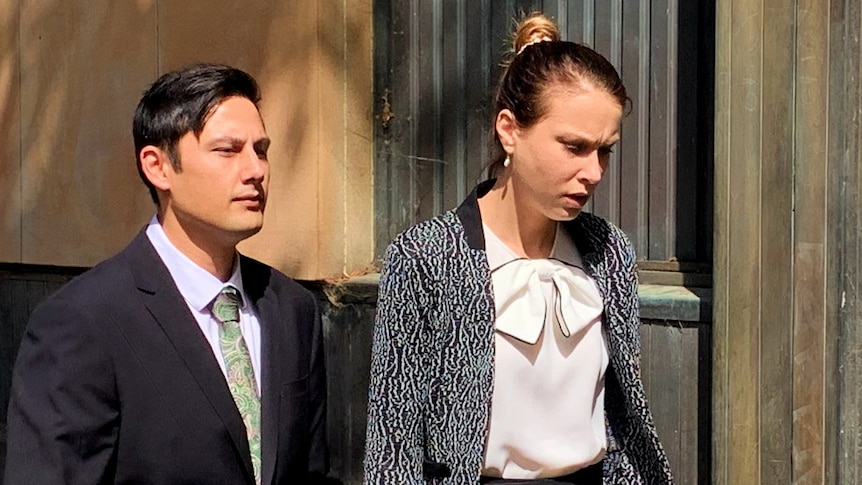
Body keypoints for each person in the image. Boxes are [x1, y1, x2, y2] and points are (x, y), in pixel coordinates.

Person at [364, 13, 673, 485]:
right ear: (509, 129)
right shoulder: (426, 258)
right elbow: (392, 445)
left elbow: (624, 418)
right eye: (574, 146)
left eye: (605, 150)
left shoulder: (609, 252)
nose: (594, 171)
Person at [5, 63, 333, 484]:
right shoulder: (84, 321)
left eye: (261, 149)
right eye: (227, 150)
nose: (255, 170)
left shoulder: (290, 309)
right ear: (158, 167)